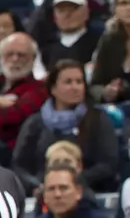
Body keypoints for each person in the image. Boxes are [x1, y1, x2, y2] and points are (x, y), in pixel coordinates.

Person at [11, 60, 118, 194]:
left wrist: (72, 182)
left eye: (79, 82)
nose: (75, 87)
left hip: (89, 193)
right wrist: (36, 185)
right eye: (68, 82)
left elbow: (108, 164)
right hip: (42, 193)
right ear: (53, 88)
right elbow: (19, 166)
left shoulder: (98, 119)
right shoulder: (35, 123)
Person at [0, 32, 45, 149]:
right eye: (9, 54)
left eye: (21, 55)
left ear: (33, 58)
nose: (15, 59)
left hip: (6, 149)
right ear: (1, 57)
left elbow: (12, 118)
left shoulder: (38, 88)